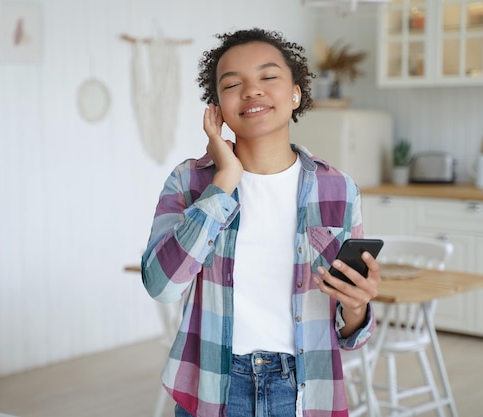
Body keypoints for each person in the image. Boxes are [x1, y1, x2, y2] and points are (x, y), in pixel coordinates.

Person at [141, 28, 381, 417]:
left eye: (268, 77)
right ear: (217, 106)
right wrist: (223, 182)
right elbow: (162, 286)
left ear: (295, 93)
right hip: (214, 386)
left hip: (304, 390)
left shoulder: (339, 188)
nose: (252, 91)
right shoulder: (190, 181)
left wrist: (357, 306)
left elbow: (350, 334)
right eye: (233, 84)